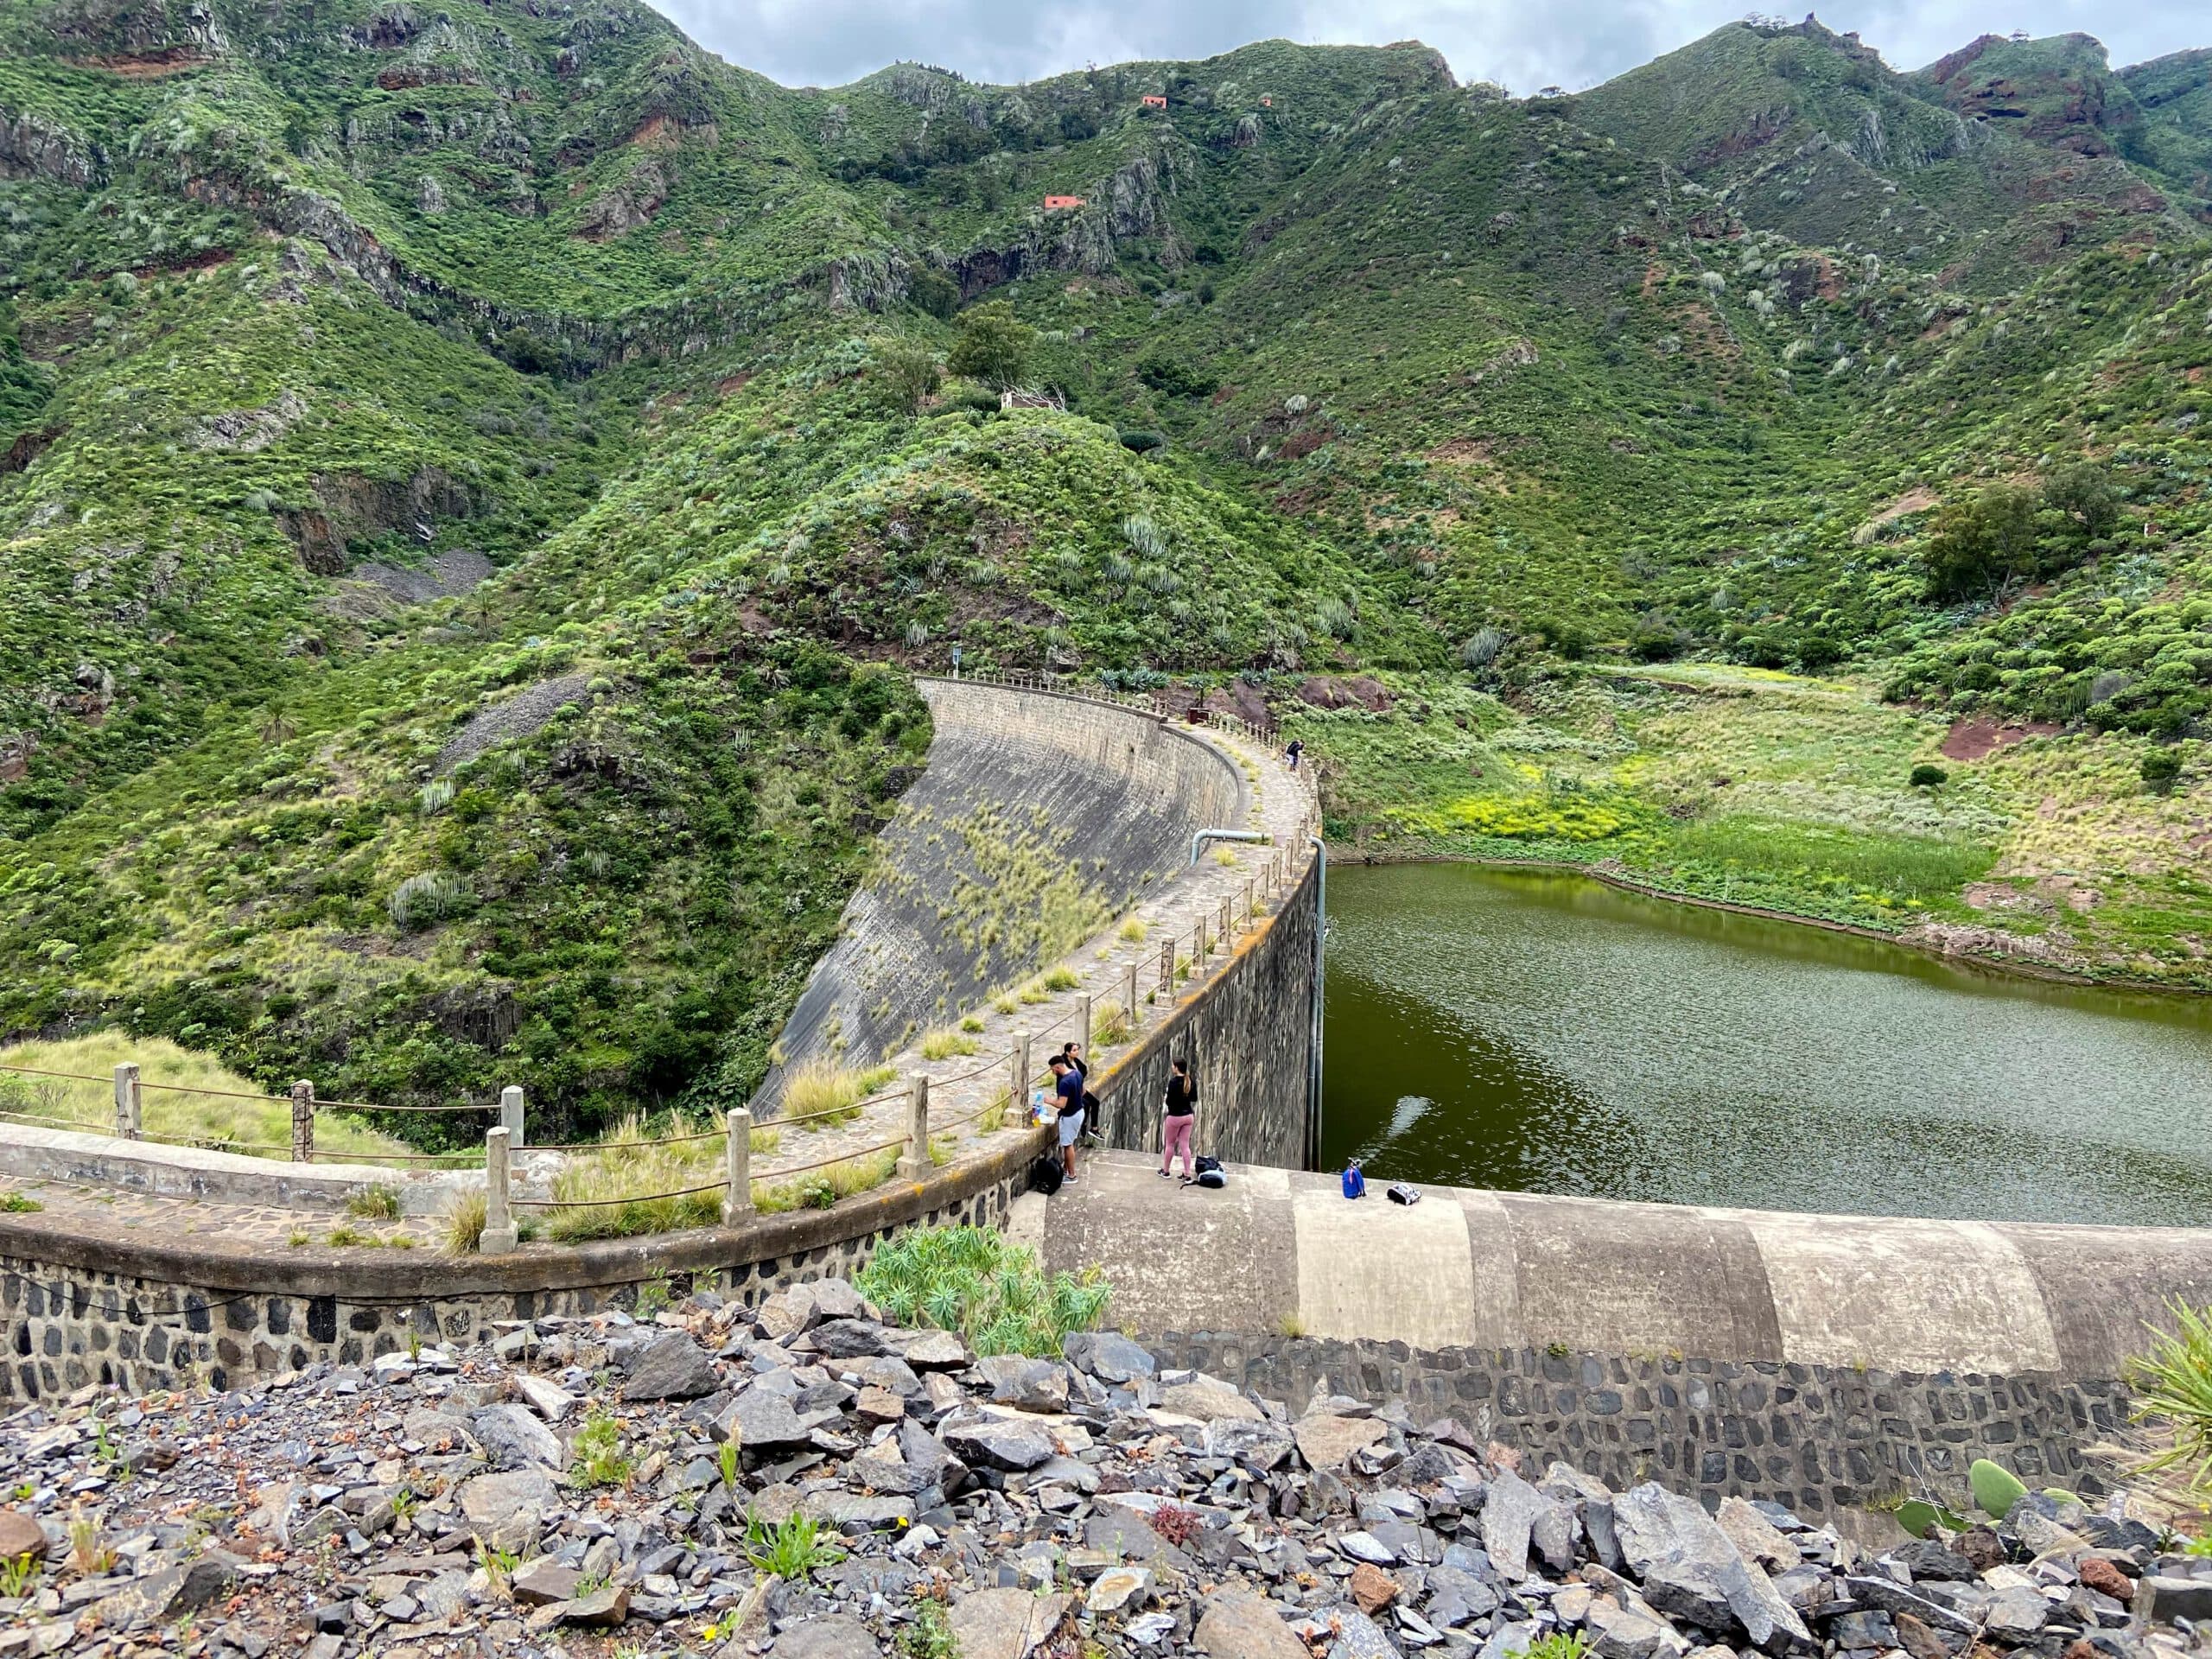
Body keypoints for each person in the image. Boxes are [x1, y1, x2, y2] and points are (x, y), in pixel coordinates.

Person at [1048, 1053, 1085, 1184]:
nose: (1052, 1072)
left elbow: (1061, 1104)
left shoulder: (1064, 1082)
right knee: (1070, 1142)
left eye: (1052, 1069)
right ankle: (1065, 1170)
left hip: (1070, 1117)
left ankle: (1072, 1176)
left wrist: (1049, 1101)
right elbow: (1083, 1092)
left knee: (1067, 1145)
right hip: (1080, 1112)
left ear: (1057, 1068)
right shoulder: (1077, 1073)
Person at [1160, 1057, 1198, 1179]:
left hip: (1175, 1117)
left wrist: (1167, 1099)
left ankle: (1166, 1171)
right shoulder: (1190, 1080)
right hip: (1188, 1116)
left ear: (1176, 1067)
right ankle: (1187, 1174)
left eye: (1173, 1065)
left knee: (1170, 1144)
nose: (1172, 1067)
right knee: (1185, 1146)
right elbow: (1194, 1098)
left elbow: (1170, 1102)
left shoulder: (1173, 1082)